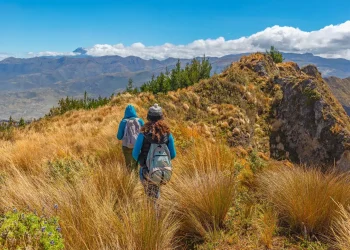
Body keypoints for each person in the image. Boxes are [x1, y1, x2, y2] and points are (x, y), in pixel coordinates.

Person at [132, 104, 176, 200]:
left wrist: (142, 162)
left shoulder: (143, 134)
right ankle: (156, 212)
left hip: (147, 170)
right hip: (162, 170)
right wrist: (160, 161)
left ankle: (152, 214)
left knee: (150, 196)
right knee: (155, 193)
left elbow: (134, 154)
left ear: (148, 117)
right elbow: (173, 155)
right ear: (161, 117)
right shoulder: (167, 134)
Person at [117, 104, 144, 172]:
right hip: (137, 146)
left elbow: (119, 137)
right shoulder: (140, 121)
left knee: (129, 166)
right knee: (136, 165)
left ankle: (129, 180)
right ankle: (136, 179)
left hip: (127, 146)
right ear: (134, 112)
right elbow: (144, 134)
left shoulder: (123, 122)